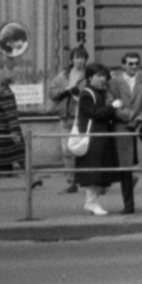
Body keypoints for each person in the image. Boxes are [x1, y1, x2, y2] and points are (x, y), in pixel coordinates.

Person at [109, 52, 142, 214]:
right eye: (130, 63)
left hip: (140, 122)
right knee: (125, 165)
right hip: (122, 124)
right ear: (123, 65)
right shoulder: (114, 82)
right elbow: (112, 104)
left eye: (137, 63)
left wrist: (139, 118)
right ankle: (129, 204)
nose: (134, 66)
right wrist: (128, 117)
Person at [74, 63, 120, 216]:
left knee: (99, 170)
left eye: (103, 75)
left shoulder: (101, 92)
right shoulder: (87, 93)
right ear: (89, 77)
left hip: (100, 136)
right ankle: (91, 203)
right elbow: (95, 113)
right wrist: (112, 107)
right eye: (98, 76)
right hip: (92, 137)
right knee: (93, 171)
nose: (102, 79)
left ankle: (92, 202)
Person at [47, 46, 89, 194]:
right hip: (66, 116)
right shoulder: (63, 76)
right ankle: (71, 182)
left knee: (84, 149)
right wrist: (65, 90)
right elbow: (52, 92)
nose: (80, 60)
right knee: (67, 150)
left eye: (83, 57)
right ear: (71, 60)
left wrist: (81, 96)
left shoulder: (89, 75)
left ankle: (89, 179)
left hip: (82, 117)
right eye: (77, 57)